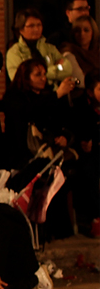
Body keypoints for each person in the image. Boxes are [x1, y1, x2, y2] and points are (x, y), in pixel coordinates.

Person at [2, 59, 76, 170]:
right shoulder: (14, 96)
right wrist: (57, 94)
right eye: (38, 75)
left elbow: (60, 121)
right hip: (23, 152)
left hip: (49, 146)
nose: (43, 78)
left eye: (44, 74)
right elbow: (27, 111)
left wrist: (63, 136)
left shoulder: (46, 95)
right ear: (26, 77)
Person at [6, 8, 73, 88]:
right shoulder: (15, 52)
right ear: (21, 29)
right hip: (28, 97)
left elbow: (67, 69)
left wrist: (38, 74)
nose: (36, 29)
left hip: (53, 94)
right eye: (31, 26)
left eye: (39, 25)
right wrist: (54, 69)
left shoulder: (49, 48)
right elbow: (20, 79)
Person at [72, 72, 100, 236]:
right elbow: (81, 133)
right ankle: (95, 217)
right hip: (91, 154)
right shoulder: (81, 108)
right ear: (89, 92)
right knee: (89, 169)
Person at [60, 16, 99, 85]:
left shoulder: (97, 52)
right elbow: (81, 83)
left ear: (93, 32)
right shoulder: (69, 54)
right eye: (77, 31)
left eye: (86, 30)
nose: (82, 34)